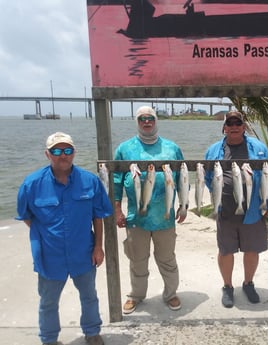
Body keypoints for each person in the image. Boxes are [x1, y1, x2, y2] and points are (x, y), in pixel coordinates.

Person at [16, 132, 112, 345]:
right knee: (48, 302)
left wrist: (98, 247)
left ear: (74, 153)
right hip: (50, 256)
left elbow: (98, 216)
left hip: (83, 252)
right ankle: (49, 340)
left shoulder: (90, 181)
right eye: (56, 151)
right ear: (47, 154)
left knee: (89, 296)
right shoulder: (31, 184)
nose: (63, 156)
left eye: (67, 150)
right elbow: (25, 216)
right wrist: (47, 234)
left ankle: (92, 332)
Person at [114, 105, 186, 314]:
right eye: (142, 119)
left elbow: (182, 178)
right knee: (137, 259)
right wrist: (117, 210)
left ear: (156, 121)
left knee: (167, 258)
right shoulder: (124, 149)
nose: (147, 122)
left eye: (150, 118)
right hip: (136, 218)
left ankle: (171, 294)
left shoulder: (172, 148)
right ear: (137, 122)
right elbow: (116, 181)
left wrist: (183, 205)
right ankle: (136, 296)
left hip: (165, 216)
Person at [204, 110, 268, 308]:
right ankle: (227, 287)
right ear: (224, 128)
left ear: (243, 127)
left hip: (253, 210)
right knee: (226, 251)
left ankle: (248, 283)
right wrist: (218, 195)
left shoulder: (259, 148)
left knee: (252, 249)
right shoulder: (213, 150)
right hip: (225, 211)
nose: (234, 126)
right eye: (230, 123)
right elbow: (208, 177)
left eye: (238, 123)